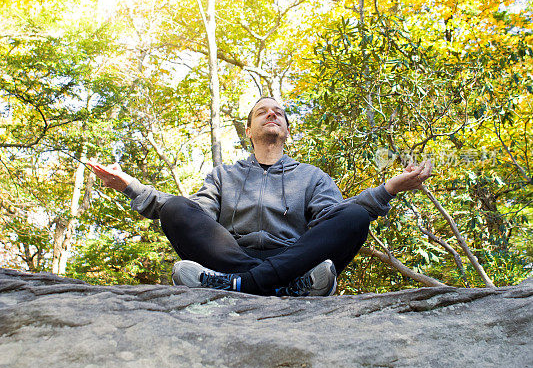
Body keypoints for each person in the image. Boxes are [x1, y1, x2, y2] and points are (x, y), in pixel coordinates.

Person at [88, 97, 432, 297]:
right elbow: (195, 215)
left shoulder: (312, 177)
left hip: (296, 258)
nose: (272, 114)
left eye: (278, 113)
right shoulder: (224, 175)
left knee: (354, 216)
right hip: (231, 256)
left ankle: (242, 285)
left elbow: (332, 222)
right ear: (249, 131)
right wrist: (131, 186)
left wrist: (390, 189)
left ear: (284, 130)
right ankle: (282, 286)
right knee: (178, 207)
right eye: (262, 112)